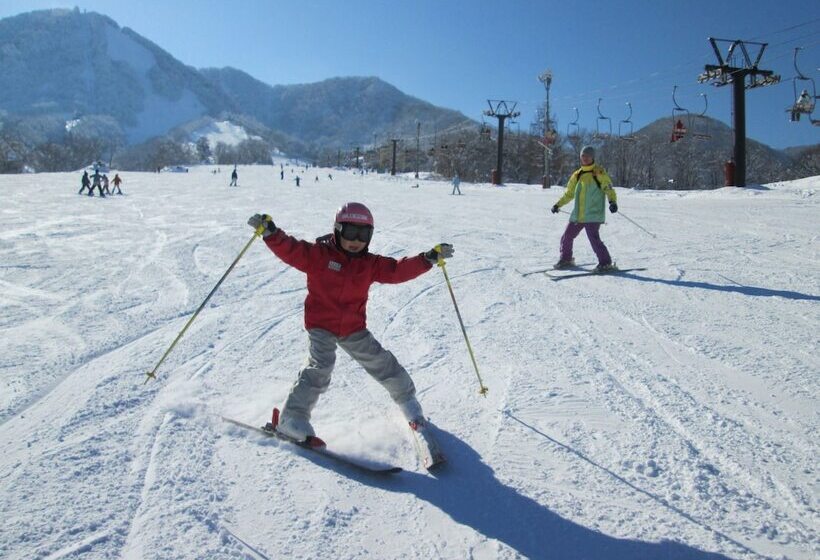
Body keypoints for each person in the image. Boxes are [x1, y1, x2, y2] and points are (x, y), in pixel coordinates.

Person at [246, 203, 454, 442]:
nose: (356, 240)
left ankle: (409, 404)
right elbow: (291, 249)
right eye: (350, 232)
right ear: (337, 230)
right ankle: (292, 419)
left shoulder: (369, 264)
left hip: (353, 328)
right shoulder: (319, 256)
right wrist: (271, 233)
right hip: (321, 325)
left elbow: (397, 270)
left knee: (383, 363)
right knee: (320, 367)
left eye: (363, 234)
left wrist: (427, 259)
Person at [550, 145, 618, 272]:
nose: (585, 158)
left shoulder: (598, 172)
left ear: (593, 157)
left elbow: (608, 188)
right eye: (583, 156)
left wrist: (612, 201)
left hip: (593, 213)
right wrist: (557, 205)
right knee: (567, 236)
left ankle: (605, 262)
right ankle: (566, 259)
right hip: (578, 214)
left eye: (588, 156)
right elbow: (569, 193)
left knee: (593, 238)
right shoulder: (577, 174)